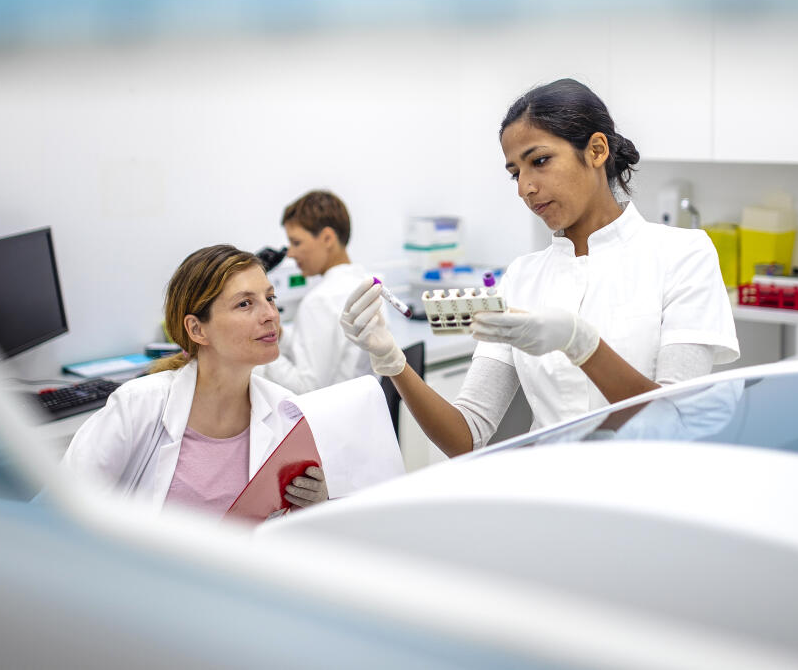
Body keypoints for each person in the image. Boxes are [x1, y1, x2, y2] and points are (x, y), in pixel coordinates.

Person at [341, 77, 739, 458]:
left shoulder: (683, 254)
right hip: (549, 498)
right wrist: (393, 363)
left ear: (597, 150)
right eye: (516, 172)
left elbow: (676, 424)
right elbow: (465, 436)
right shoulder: (523, 278)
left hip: (648, 504)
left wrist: (582, 344)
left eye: (540, 161)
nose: (524, 187)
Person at [62, 245, 326, 516]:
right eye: (245, 303)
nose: (270, 314)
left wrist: (317, 505)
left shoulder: (287, 412)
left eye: (270, 298)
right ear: (197, 329)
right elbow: (62, 507)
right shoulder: (138, 406)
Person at [256, 190, 383, 394]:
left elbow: (308, 388)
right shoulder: (367, 286)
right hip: (358, 409)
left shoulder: (321, 300)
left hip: (330, 419)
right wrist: (280, 336)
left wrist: (261, 348)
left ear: (327, 238)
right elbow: (320, 352)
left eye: (296, 242)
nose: (290, 252)